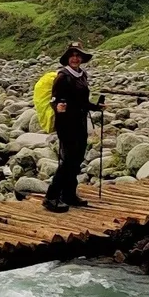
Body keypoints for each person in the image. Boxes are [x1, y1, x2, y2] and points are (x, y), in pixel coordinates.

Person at [45, 41, 100, 213]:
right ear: (67, 58)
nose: (75, 58)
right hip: (66, 123)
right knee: (68, 160)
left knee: (77, 160)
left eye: (78, 55)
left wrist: (96, 107)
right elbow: (54, 100)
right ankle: (51, 197)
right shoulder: (63, 76)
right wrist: (57, 108)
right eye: (72, 55)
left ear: (81, 58)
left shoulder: (82, 75)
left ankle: (69, 194)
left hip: (80, 121)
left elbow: (82, 101)